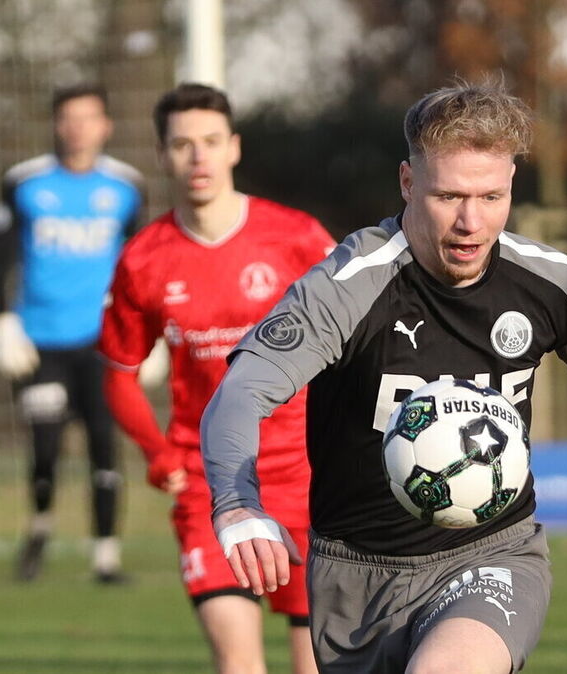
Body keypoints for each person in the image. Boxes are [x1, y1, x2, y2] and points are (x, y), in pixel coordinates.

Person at [199, 80, 567, 673]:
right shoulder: (350, 284)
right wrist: (237, 504)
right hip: (355, 575)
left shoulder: (552, 284)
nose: (471, 221)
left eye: (491, 197)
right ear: (408, 183)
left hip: (494, 554)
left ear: (512, 185)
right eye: (449, 197)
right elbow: (241, 393)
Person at [99, 83, 332, 674]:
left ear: (234, 147)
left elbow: (355, 341)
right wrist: (156, 452)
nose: (197, 158)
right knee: (238, 661)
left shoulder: (297, 238)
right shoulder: (143, 259)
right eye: (182, 145)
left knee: (320, 664)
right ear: (162, 155)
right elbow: (120, 375)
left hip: (310, 477)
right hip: (212, 482)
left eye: (209, 142)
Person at [0, 83, 144, 583]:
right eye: (68, 118)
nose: (77, 128)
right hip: (41, 342)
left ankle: (105, 556)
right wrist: (2, 319)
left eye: (88, 117)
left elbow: (141, 264)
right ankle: (38, 530)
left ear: (105, 126)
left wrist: (147, 333)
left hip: (102, 344)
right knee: (46, 445)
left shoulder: (125, 186)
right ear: (57, 124)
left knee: (104, 442)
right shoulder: (24, 182)